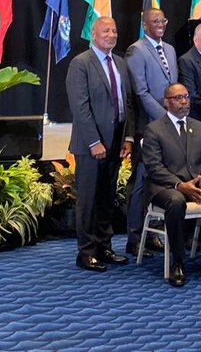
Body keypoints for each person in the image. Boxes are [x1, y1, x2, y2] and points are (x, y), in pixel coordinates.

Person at [141, 83, 201, 286]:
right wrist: (180, 184)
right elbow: (154, 168)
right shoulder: (153, 130)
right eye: (178, 98)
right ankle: (177, 261)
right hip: (165, 186)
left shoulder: (199, 127)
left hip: (197, 182)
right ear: (166, 102)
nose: (184, 101)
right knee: (176, 202)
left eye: (186, 97)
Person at [65, 17, 134, 272]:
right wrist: (94, 141)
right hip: (90, 145)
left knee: (107, 198)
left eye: (114, 30)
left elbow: (127, 102)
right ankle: (86, 252)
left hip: (116, 141)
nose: (112, 34)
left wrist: (128, 137)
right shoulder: (80, 64)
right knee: (89, 199)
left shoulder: (120, 63)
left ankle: (104, 246)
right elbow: (80, 107)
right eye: (106, 30)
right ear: (93, 35)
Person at [123, 7, 176, 255]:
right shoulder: (136, 50)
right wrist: (167, 119)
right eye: (155, 21)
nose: (160, 24)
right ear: (144, 25)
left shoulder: (170, 50)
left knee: (162, 182)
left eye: (162, 20)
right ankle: (133, 239)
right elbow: (141, 93)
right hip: (149, 127)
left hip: (169, 126)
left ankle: (153, 231)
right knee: (141, 183)